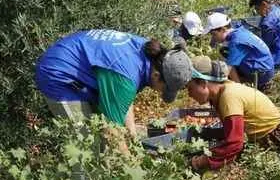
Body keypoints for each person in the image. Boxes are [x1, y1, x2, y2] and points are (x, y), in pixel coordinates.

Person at [35, 29, 193, 137]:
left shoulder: (149, 52)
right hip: (59, 74)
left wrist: (131, 131)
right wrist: (132, 167)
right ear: (157, 76)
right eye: (163, 89)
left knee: (105, 131)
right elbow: (112, 131)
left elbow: (124, 100)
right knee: (86, 144)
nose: (159, 93)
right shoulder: (125, 75)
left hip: (79, 65)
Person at [186, 56, 280, 171]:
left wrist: (201, 162)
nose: (189, 94)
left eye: (190, 88)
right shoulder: (222, 92)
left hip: (275, 139)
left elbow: (234, 143)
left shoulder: (228, 96)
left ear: (203, 83)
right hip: (262, 138)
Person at [205, 12, 275, 91]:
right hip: (266, 67)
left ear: (223, 29)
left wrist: (238, 89)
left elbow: (230, 69)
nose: (213, 38)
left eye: (214, 34)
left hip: (262, 73)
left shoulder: (236, 41)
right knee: (224, 52)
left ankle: (245, 89)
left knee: (225, 74)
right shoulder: (239, 31)